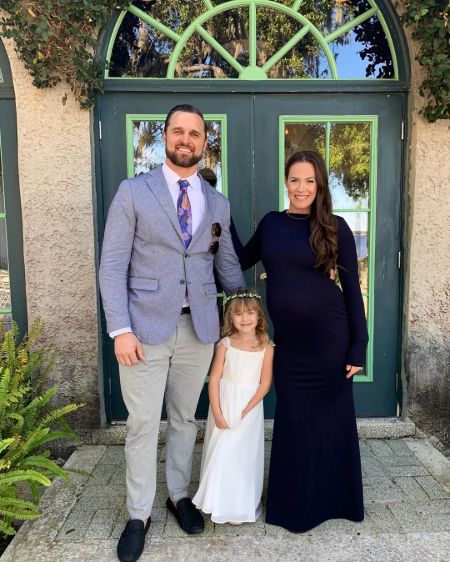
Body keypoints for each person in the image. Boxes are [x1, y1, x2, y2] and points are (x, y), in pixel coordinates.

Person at [99, 104, 245, 562]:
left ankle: (178, 495)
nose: (186, 139)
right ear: (165, 137)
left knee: (184, 419)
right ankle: (138, 514)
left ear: (204, 142)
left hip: (199, 329)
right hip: (143, 328)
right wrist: (120, 329)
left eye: (195, 133)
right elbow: (112, 266)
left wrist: (247, 312)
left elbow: (227, 267)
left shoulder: (217, 202)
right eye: (178, 131)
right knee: (143, 424)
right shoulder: (133, 192)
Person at [236, 150, 368, 533]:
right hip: (291, 345)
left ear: (319, 184)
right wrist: (220, 217)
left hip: (331, 340)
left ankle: (337, 502)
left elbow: (352, 291)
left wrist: (358, 344)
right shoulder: (272, 223)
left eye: (310, 181)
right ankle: (294, 506)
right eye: (295, 180)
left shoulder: (335, 227)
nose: (301, 188)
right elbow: (241, 258)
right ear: (286, 182)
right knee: (294, 419)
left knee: (331, 421)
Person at [193, 288, 274, 524]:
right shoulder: (225, 344)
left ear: (259, 316)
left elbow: (265, 383)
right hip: (225, 402)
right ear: (230, 317)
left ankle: (240, 505)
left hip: (250, 406)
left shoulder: (267, 346)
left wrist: (247, 409)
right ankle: (219, 502)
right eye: (238, 314)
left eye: (250, 313)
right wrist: (217, 412)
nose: (245, 318)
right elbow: (214, 379)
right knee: (223, 451)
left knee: (243, 455)